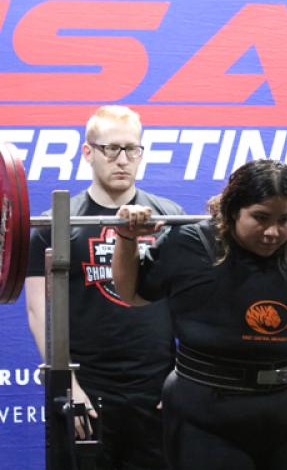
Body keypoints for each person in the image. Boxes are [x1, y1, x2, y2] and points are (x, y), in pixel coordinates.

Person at [112, 159, 287, 470]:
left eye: (286, 219)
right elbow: (132, 294)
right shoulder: (192, 243)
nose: (272, 232)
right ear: (232, 210)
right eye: (260, 217)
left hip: (283, 409)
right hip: (205, 413)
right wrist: (127, 237)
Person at [25, 105, 184, 470]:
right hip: (87, 391)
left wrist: (180, 382)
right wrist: (67, 385)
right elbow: (39, 313)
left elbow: (190, 305)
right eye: (111, 149)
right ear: (88, 152)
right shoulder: (56, 225)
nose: (123, 159)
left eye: (132, 149)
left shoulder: (170, 217)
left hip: (155, 391)